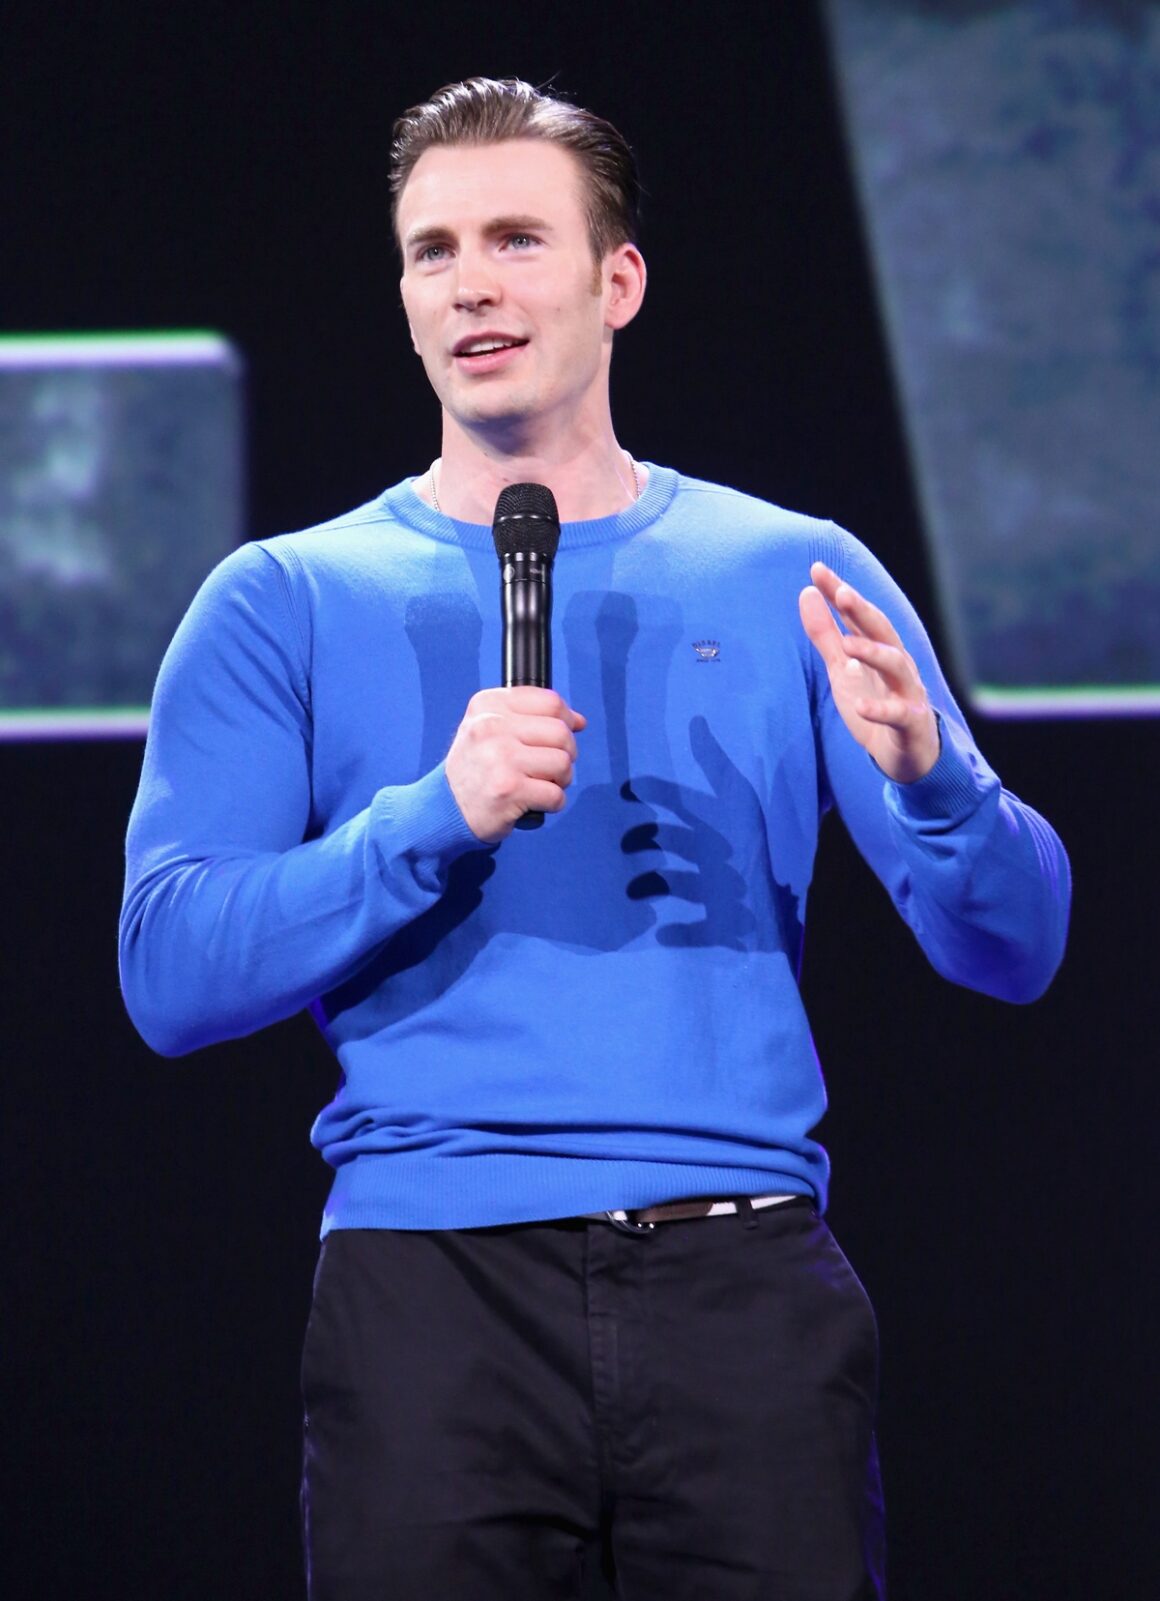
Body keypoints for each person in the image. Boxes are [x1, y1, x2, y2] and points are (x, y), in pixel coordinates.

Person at [119, 77, 1070, 1601]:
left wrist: (936, 785)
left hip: (743, 1287)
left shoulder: (796, 571)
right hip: (430, 1298)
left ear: (617, 280)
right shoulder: (281, 598)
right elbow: (167, 971)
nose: (471, 284)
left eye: (514, 238)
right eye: (432, 251)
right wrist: (432, 817)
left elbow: (1017, 949)